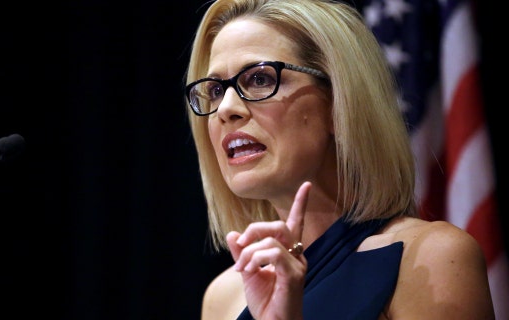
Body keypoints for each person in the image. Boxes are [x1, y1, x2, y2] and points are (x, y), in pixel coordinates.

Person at [182, 0, 496, 319]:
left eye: (260, 79)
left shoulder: (430, 259)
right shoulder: (225, 298)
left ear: (337, 102)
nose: (225, 109)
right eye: (216, 90)